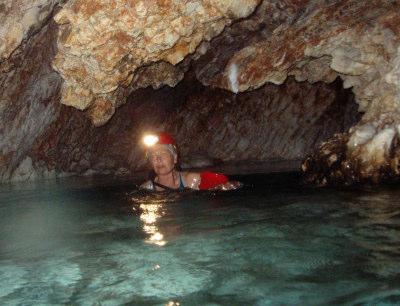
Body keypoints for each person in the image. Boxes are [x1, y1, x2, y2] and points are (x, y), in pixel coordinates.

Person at [140, 132, 241, 191]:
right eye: (153, 156)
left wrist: (227, 185)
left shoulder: (191, 181)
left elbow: (226, 184)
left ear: (174, 158)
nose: (158, 159)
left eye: (163, 153)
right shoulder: (146, 188)